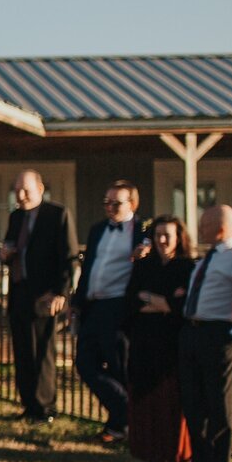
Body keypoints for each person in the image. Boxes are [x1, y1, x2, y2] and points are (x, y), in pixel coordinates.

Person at [179, 205, 232, 462]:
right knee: (192, 399)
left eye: (204, 224)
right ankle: (200, 460)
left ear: (221, 227)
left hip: (219, 335)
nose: (199, 229)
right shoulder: (203, 259)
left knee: (218, 403)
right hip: (192, 332)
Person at [73, 181, 148, 443]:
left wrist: (145, 248)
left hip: (118, 305)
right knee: (84, 363)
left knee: (118, 366)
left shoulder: (142, 231)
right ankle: (125, 413)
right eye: (106, 202)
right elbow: (89, 267)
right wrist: (77, 301)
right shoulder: (97, 230)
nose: (109, 208)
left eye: (116, 203)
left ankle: (120, 427)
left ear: (132, 204)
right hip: (93, 304)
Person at [0, 170, 77, 424]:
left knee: (43, 351)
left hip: (45, 293)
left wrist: (61, 293)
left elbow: (68, 258)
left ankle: (45, 407)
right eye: (17, 190)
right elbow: (10, 247)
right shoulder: (15, 217)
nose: (20, 196)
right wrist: (6, 255)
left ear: (40, 189)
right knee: (22, 350)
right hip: (19, 291)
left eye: (26, 190)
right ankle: (29, 405)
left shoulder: (57, 215)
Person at [123, 215, 195, 462]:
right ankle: (145, 449)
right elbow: (130, 302)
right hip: (143, 341)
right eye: (158, 235)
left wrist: (151, 300)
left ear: (179, 238)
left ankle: (171, 452)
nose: (162, 240)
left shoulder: (187, 267)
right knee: (143, 395)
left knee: (169, 398)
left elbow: (182, 307)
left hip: (171, 343)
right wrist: (163, 303)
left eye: (168, 235)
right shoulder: (143, 266)